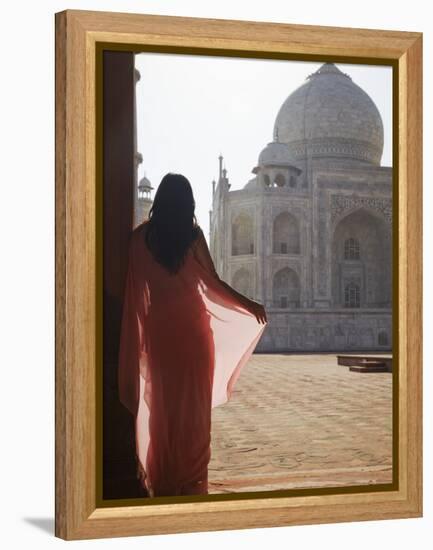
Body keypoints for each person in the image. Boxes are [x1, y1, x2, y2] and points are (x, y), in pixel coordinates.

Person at [118, 173, 268, 498]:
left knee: (163, 413)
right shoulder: (193, 235)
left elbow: (137, 296)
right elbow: (212, 284)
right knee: (194, 419)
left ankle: (164, 482)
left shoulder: (138, 240)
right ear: (189, 204)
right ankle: (191, 484)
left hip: (161, 342)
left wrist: (143, 340)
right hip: (195, 341)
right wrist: (248, 304)